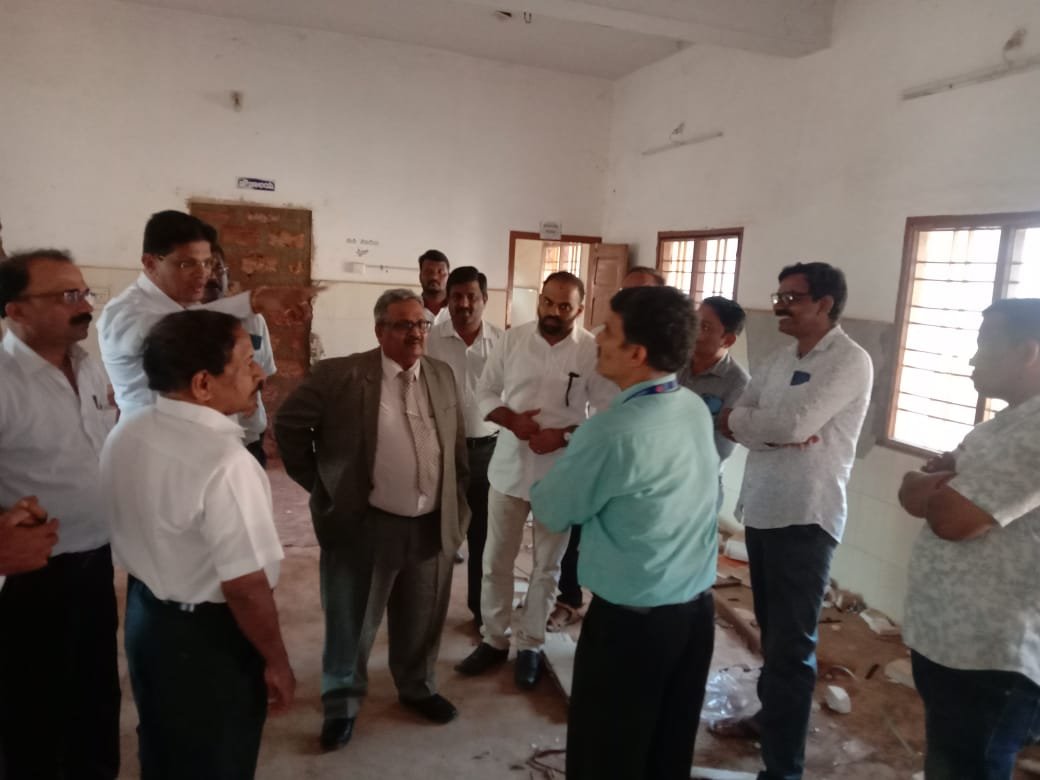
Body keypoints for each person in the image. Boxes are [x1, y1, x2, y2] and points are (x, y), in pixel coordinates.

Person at [530, 286, 718, 780]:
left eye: (608, 331)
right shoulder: (692, 406)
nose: (596, 338)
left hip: (632, 629)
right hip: (694, 615)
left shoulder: (611, 431)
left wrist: (557, 473)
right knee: (666, 752)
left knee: (606, 757)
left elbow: (552, 509)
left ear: (637, 353)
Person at [275, 288, 470, 751]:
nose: (416, 333)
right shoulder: (340, 375)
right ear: (380, 330)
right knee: (352, 620)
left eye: (421, 324)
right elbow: (288, 426)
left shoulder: (441, 374)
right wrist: (324, 486)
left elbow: (456, 445)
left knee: (423, 616)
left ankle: (417, 686)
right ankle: (341, 702)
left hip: (430, 523)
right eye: (403, 325)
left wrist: (456, 506)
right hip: (365, 523)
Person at [102, 310, 293, 779]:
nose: (259, 373)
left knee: (164, 746)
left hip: (148, 619)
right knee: (217, 756)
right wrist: (276, 660)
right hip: (210, 642)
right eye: (246, 362)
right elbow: (246, 587)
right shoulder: (226, 463)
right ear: (203, 384)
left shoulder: (128, 430)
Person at [714, 262, 873, 780]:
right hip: (763, 509)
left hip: (806, 518)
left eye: (792, 298)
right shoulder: (781, 358)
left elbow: (792, 424)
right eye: (778, 296)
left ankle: (783, 769)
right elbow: (739, 417)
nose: (780, 306)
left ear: (825, 304)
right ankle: (770, 719)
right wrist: (768, 429)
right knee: (774, 636)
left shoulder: (849, 361)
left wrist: (769, 429)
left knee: (793, 647)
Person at [899, 298, 1040, 778]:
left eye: (985, 344)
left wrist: (933, 486)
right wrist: (931, 484)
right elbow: (917, 487)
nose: (973, 359)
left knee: (970, 766)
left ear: (1027, 352)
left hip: (992, 658)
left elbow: (952, 518)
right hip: (956, 647)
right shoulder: (1005, 424)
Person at [456, 271, 616, 689]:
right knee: (495, 561)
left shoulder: (591, 351)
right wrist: (510, 420)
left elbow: (606, 415)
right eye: (548, 302)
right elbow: (485, 391)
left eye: (565, 306)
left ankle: (530, 644)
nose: (553, 312)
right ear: (540, 299)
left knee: (547, 567)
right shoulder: (513, 340)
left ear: (579, 309)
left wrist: (563, 436)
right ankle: (493, 639)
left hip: (560, 474)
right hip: (509, 469)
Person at [0, 250, 121, 779]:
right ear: (16, 310)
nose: (84, 305)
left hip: (96, 560)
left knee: (94, 695)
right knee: (33, 710)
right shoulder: (4, 380)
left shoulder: (86, 364)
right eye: (66, 296)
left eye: (84, 292)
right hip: (33, 576)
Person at [98, 210, 317, 415]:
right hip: (151, 435)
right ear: (150, 263)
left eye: (207, 263)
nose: (203, 273)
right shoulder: (124, 312)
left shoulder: (191, 306)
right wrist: (253, 300)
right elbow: (171, 329)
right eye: (187, 264)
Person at [551, 264, 662, 631]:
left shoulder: (666, 354)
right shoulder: (602, 339)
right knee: (579, 537)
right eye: (625, 292)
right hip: (601, 452)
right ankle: (570, 597)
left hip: (640, 468)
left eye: (641, 293)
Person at [426, 266, 504, 626]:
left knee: (483, 537)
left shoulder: (503, 342)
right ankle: (427, 612)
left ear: (484, 299)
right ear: (448, 300)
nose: (464, 304)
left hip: (489, 452)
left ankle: (479, 611)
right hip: (441, 451)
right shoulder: (431, 339)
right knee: (437, 534)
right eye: (456, 296)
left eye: (472, 296)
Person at [202, 241, 277, 466]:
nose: (213, 276)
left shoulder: (252, 320)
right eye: (206, 267)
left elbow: (264, 371)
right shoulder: (175, 325)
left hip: (248, 434)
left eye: (219, 268)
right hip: (202, 437)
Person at [678, 296, 750, 506]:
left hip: (699, 485)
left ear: (727, 340)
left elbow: (722, 448)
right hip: (657, 474)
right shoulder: (675, 364)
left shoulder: (738, 383)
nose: (693, 331)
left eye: (705, 327)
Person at [418, 249, 451, 325]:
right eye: (428, 272)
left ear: (449, 277)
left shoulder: (458, 309)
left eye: (440, 272)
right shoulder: (410, 309)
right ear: (420, 276)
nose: (434, 277)